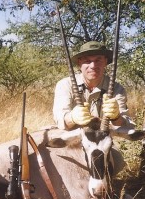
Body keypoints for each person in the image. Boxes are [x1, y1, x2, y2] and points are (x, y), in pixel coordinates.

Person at [53, 41, 135, 175]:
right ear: (79, 63)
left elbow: (127, 125)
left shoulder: (117, 88)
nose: (93, 65)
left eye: (98, 60)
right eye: (87, 61)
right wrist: (72, 117)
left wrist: (116, 117)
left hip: (100, 141)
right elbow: (60, 120)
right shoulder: (65, 84)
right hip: (74, 138)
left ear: (105, 62)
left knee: (117, 161)